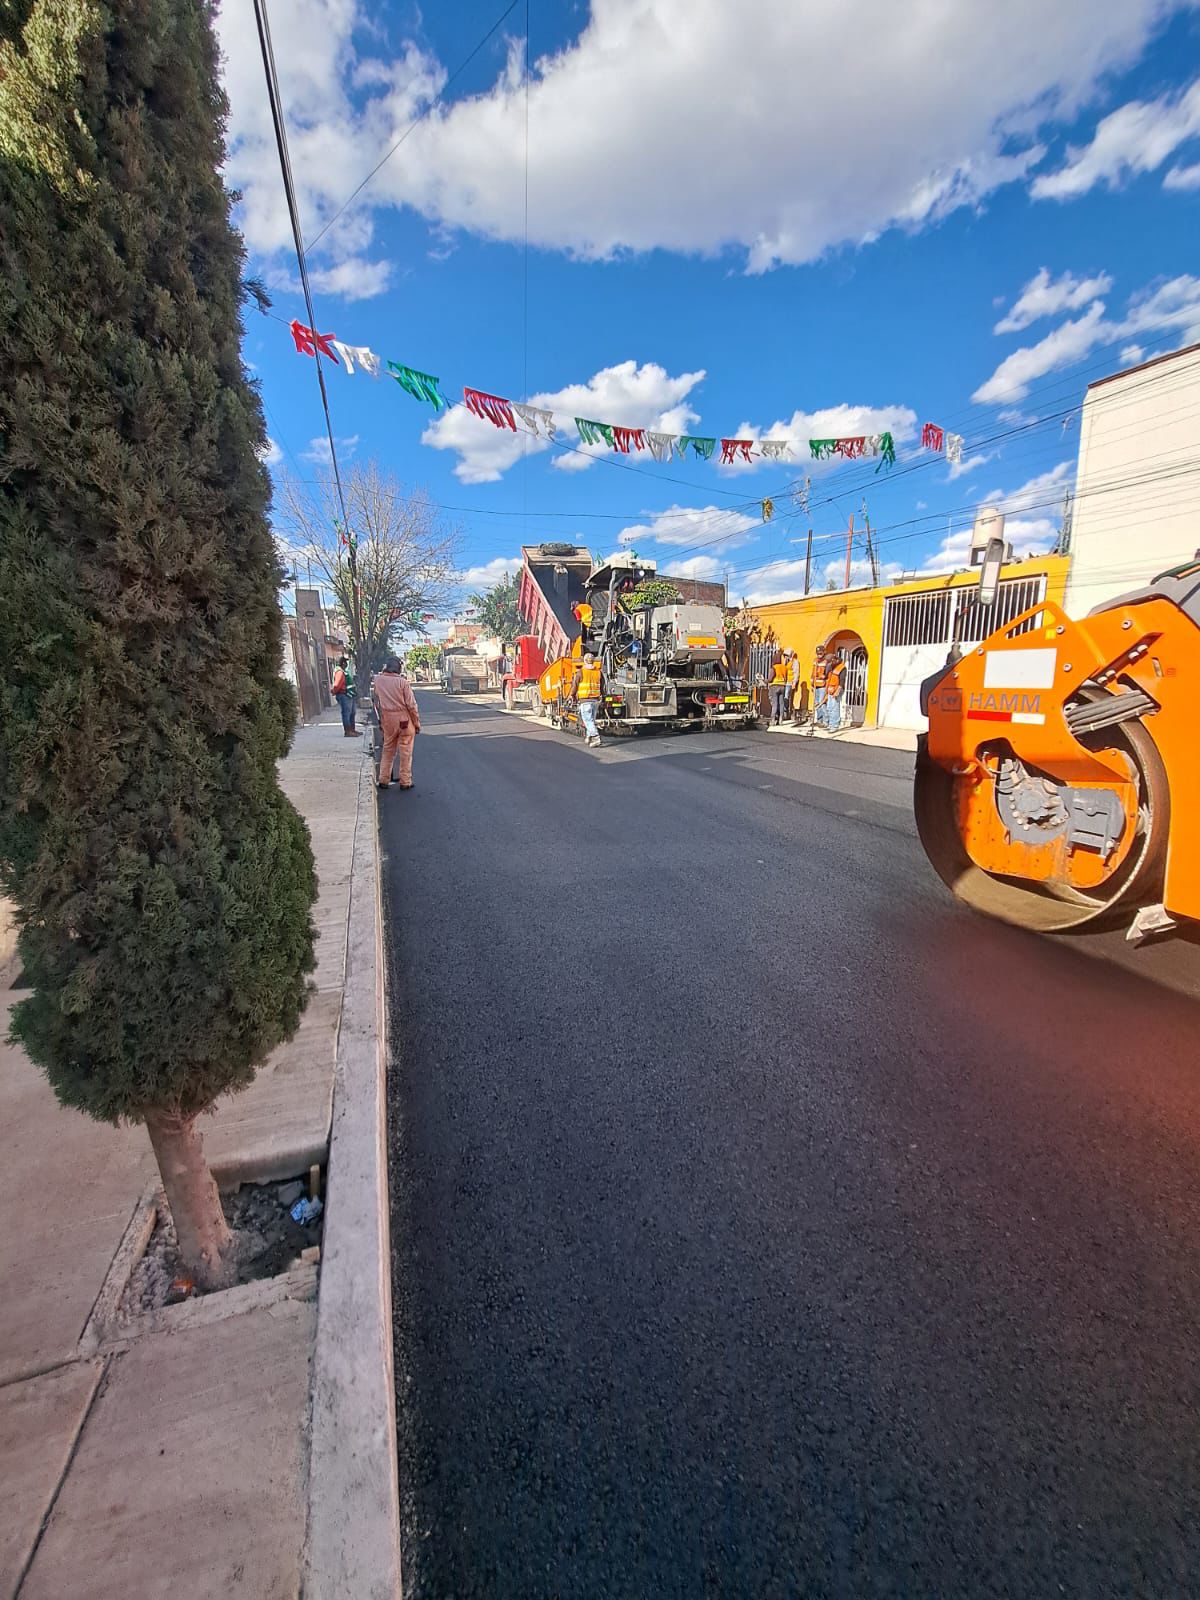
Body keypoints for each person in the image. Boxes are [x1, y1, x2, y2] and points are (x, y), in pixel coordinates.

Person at [372, 656, 421, 789]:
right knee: (405, 752)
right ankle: (405, 782)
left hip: (388, 719)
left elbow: (376, 702)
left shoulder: (378, 680)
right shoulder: (403, 683)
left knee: (388, 750)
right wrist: (416, 724)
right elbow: (411, 706)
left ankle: (383, 779)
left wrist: (381, 721)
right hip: (404, 720)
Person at [570, 650, 603, 747]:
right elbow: (602, 686)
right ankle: (589, 737)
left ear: (584, 661)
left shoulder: (581, 672)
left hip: (585, 700)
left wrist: (572, 695)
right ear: (593, 661)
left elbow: (574, 686)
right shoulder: (598, 672)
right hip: (596, 700)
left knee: (587, 720)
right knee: (591, 720)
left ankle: (596, 737)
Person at [331, 655, 360, 737]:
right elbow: (337, 685)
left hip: (349, 695)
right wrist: (334, 691)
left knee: (352, 713)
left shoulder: (343, 671)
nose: (347, 664)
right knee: (346, 713)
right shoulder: (339, 672)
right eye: (346, 662)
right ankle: (348, 731)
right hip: (344, 695)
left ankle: (352, 730)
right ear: (343, 663)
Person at [768, 653, 789, 725]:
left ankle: (773, 720)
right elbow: (786, 678)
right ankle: (781, 720)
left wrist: (765, 680)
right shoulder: (784, 667)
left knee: (775, 704)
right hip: (782, 686)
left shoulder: (773, 667)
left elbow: (770, 679)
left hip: (774, 686)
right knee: (781, 703)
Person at [785, 649, 801, 720]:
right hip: (784, 682)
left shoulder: (795, 662)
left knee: (788, 698)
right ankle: (786, 713)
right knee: (785, 698)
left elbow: (796, 673)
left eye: (787, 655)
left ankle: (791, 713)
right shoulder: (786, 662)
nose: (786, 656)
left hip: (790, 682)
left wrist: (794, 682)